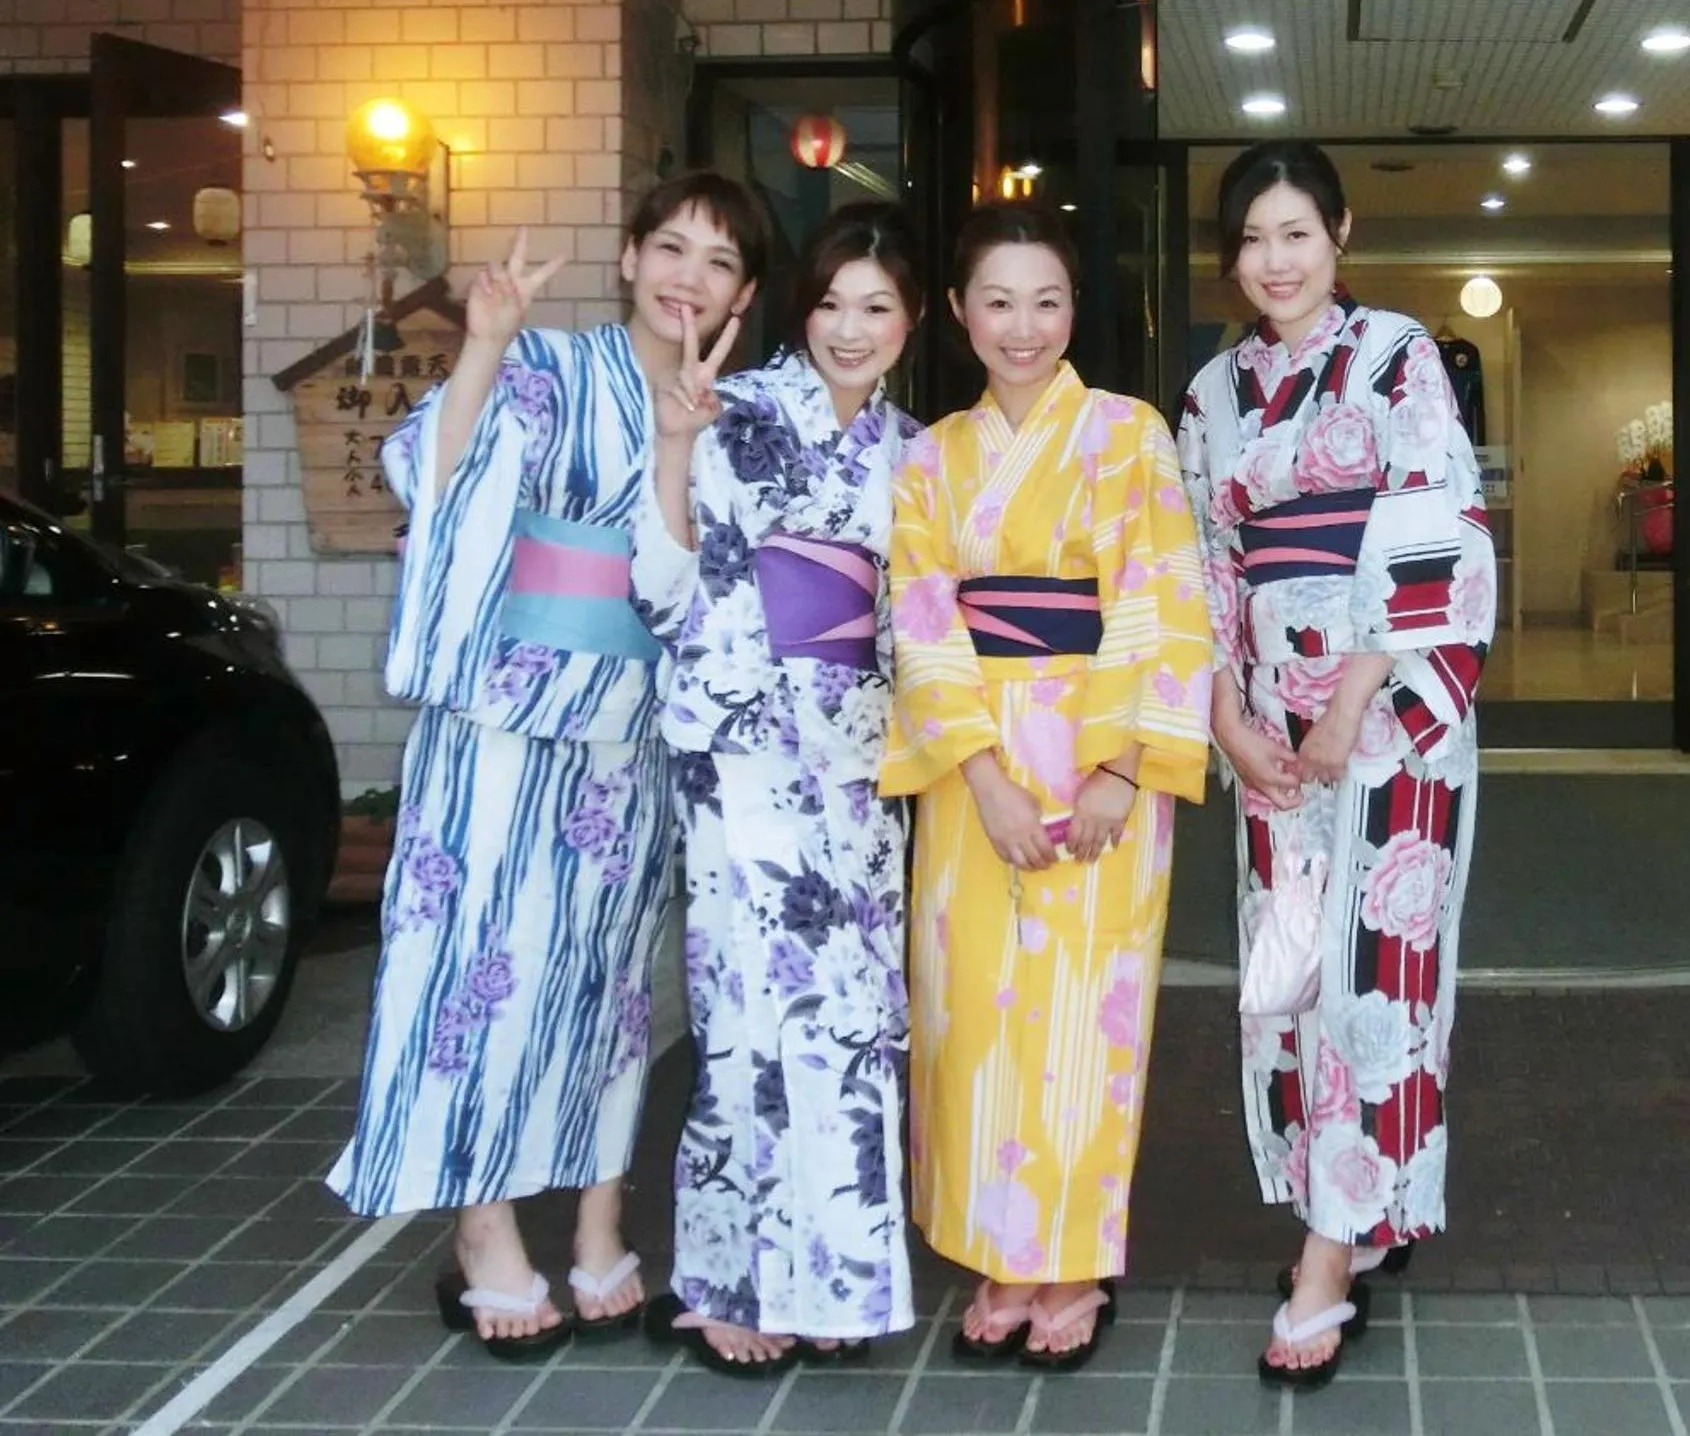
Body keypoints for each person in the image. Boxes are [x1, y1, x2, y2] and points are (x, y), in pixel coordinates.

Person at [326, 175, 768, 1360]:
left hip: (631, 735)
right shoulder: (551, 367)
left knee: (608, 990)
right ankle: (482, 1231)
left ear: (745, 294)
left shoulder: (731, 407)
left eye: (718, 262)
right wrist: (480, 346)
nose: (688, 276)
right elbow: (435, 471)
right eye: (669, 248)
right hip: (504, 728)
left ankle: (596, 1219)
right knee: (478, 977)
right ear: (626, 260)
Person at [1174, 141, 1497, 1390]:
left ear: (1341, 233)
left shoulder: (1399, 357)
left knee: (1375, 975)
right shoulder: (1209, 396)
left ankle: (1326, 1256)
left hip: (1387, 720)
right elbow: (1201, 562)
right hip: (1265, 726)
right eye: (1253, 238)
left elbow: (1431, 523)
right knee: (1292, 971)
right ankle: (1348, 1209)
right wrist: (1224, 716)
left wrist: (1349, 700)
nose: (1275, 260)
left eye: (1296, 232)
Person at [882, 201, 1212, 1372]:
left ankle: (1070, 1258)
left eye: (1048, 301)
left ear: (1077, 310)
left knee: (1083, 1016)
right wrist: (980, 774)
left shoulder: (1128, 435)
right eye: (998, 301)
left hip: (1099, 755)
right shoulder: (931, 457)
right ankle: (998, 1255)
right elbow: (918, 619)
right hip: (972, 767)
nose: (1023, 327)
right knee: (966, 1011)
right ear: (960, 314)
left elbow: (1167, 597)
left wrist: (1122, 763)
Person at [630, 202, 926, 1378]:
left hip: (860, 766)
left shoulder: (915, 450)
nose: (850, 331)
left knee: (855, 1026)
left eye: (878, 308)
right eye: (830, 306)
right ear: (797, 311)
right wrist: (670, 448)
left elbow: (924, 615)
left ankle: (839, 1279)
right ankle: (726, 1280)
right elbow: (666, 592)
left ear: (911, 322)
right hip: (747, 758)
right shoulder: (733, 411)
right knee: (748, 1020)